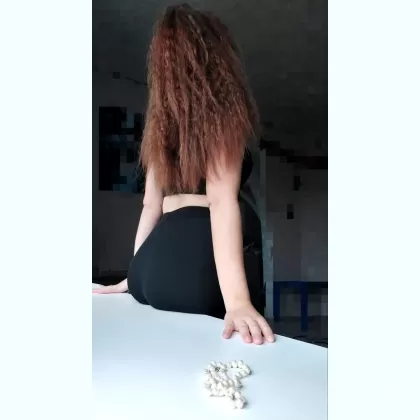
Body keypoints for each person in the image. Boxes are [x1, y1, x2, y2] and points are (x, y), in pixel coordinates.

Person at [93, 4, 275, 345]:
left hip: (152, 261)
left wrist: (134, 274)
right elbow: (220, 201)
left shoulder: (160, 127)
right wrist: (238, 302)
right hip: (195, 261)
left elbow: (151, 205)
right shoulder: (221, 112)